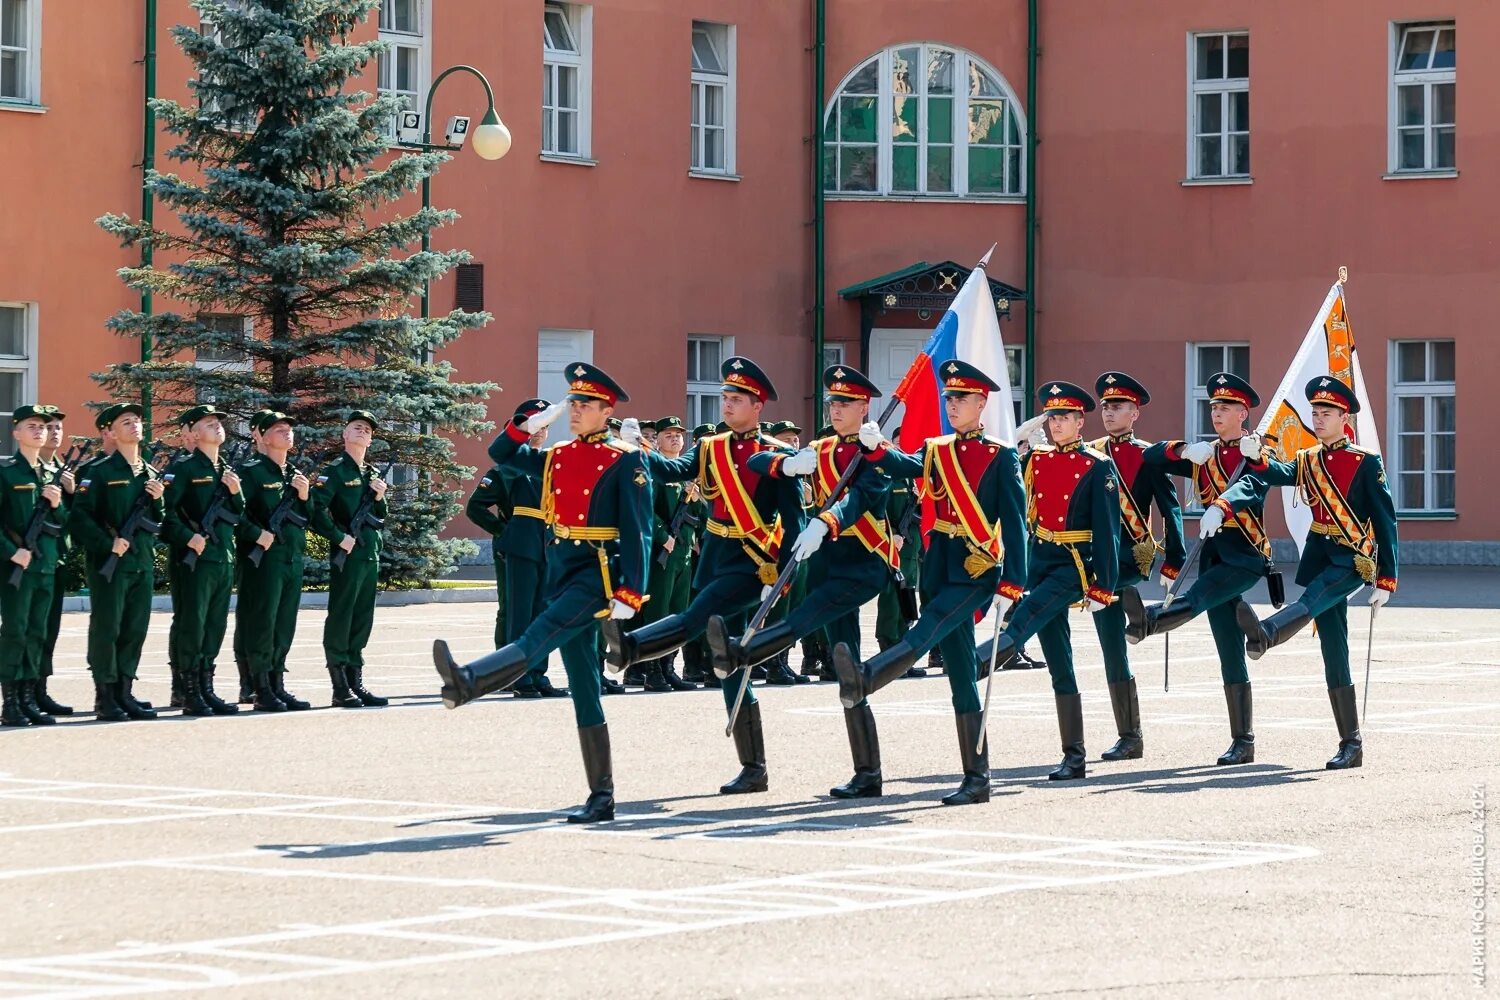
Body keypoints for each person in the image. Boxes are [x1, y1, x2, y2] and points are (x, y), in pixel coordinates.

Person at [432, 362, 651, 823]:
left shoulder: (624, 458)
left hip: (597, 573)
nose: (574, 410)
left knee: (540, 633)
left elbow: (638, 531)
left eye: (584, 404)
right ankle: (602, 795)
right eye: (571, 402)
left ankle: (470, 680)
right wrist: (529, 425)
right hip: (562, 568)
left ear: (606, 410)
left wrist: (631, 590)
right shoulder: (559, 454)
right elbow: (501, 454)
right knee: (585, 686)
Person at [601, 356, 803, 794]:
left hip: (754, 563)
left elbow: (795, 520)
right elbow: (675, 470)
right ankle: (754, 768)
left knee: (699, 616)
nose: (726, 406)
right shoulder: (711, 447)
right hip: (715, 556)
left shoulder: (778, 456)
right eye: (724, 398)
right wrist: (638, 451)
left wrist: (784, 573)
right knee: (729, 662)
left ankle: (631, 648)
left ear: (757, 405)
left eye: (735, 399)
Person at [830, 360, 1028, 804]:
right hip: (940, 565)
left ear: (981, 403)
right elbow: (907, 468)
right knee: (960, 674)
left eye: (961, 398)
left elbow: (1015, 524)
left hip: (975, 570)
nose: (952, 405)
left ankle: (868, 676)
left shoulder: (1000, 455)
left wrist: (1012, 585)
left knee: (928, 627)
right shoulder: (936, 449)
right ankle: (977, 778)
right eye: (949, 398)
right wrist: (878, 449)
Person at [708, 364, 897, 797]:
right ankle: (868, 774)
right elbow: (756, 458)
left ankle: (741, 652)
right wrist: (787, 463)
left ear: (864, 407)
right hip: (829, 562)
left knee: (805, 617)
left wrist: (826, 520)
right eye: (832, 401)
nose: (835, 409)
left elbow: (861, 499)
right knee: (846, 667)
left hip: (864, 564)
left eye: (845, 403)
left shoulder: (876, 450)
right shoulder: (821, 447)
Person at [1219, 376, 1398, 769]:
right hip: (1321, 555)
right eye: (1314, 413)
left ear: (1343, 417)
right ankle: (1351, 744)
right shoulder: (1309, 458)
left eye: (1325, 413)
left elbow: (1386, 520)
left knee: (1313, 599)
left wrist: (1387, 577)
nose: (1317, 419)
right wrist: (1257, 457)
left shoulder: (1366, 463)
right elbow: (1278, 474)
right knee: (1334, 650)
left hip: (1352, 559)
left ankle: (1267, 633)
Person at [1120, 372, 1270, 766]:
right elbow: (1149, 456)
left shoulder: (1255, 452)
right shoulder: (1207, 455)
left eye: (1225, 408)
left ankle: (1151, 620)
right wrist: (1186, 450)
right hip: (1213, 553)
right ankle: (1244, 741)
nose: (1217, 414)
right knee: (1228, 648)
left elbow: (1263, 480)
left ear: (1243, 413)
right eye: (1213, 407)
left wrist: (1231, 493)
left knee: (1200, 596)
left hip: (1246, 554)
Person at [1083, 371, 1185, 760]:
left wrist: (1174, 559)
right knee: (1111, 646)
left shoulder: (1146, 454)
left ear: (1135, 413)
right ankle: (1130, 735)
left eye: (1118, 406)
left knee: (1116, 586)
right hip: (1095, 556)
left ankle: (1139, 615)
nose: (1109, 413)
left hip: (1131, 553)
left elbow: (1169, 506)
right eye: (1106, 406)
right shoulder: (1091, 452)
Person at [69, 403, 166, 722]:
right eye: (126, 422)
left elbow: (158, 522)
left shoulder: (150, 473)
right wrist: (107, 543)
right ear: (110, 431)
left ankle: (125, 691)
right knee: (107, 628)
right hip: (109, 564)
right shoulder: (99, 472)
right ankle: (105, 694)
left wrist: (158, 498)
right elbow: (80, 517)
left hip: (141, 562)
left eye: (137, 421)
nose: (135, 425)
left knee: (135, 629)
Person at [465, 399, 566, 699]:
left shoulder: (549, 466)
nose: (539, 432)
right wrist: (504, 532)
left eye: (544, 426)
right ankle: (517, 676)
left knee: (542, 613)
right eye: (534, 426)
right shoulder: (506, 468)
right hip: (520, 543)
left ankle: (538, 674)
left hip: (547, 543)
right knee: (518, 613)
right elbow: (476, 507)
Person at [161, 404, 245, 717]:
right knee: (192, 624)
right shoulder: (183, 468)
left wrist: (236, 493)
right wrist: (187, 538)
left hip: (222, 557)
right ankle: (189, 691)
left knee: (215, 624)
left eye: (219, 423)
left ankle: (207, 686)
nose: (217, 427)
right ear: (194, 434)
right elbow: (163, 514)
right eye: (209, 423)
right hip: (193, 559)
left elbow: (238, 514)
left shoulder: (225, 469)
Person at [309, 410, 390, 708]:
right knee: (342, 615)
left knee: (362, 617)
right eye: (356, 427)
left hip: (369, 553)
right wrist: (337, 536)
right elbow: (315, 509)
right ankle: (339, 685)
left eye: (368, 430)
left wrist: (380, 498)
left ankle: (356, 681)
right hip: (348, 552)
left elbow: (381, 517)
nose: (362, 432)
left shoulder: (373, 474)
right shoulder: (336, 471)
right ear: (344, 435)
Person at [234, 411, 313, 712]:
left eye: (289, 429)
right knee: (262, 623)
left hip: (291, 558)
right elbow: (233, 513)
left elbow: (309, 517)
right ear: (263, 436)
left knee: (284, 624)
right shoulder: (251, 472)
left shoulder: (293, 474)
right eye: (279, 430)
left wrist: (305, 497)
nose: (287, 433)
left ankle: (278, 684)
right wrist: (256, 534)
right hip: (263, 560)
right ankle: (260, 688)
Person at [0, 405, 72, 727]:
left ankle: (29, 698)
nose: (40, 431)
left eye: (43, 427)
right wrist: (11, 552)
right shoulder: (6, 473)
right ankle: (11, 702)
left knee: (36, 633)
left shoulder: (49, 475)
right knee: (15, 632)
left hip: (44, 565)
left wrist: (58, 504)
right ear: (16, 432)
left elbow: (64, 523)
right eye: (32, 426)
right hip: (17, 566)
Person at [636, 416, 697, 691]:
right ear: (657, 440)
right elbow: (644, 509)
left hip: (684, 550)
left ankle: (668, 667)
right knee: (658, 611)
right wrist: (663, 536)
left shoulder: (687, 473)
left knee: (678, 612)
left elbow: (701, 514)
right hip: (664, 550)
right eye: (669, 435)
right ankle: (652, 671)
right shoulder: (654, 471)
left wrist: (697, 501)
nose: (675, 438)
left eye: (679, 435)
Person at [35, 407, 80, 716]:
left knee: (49, 629)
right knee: (28, 628)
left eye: (58, 428)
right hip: (32, 558)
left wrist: (71, 492)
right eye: (48, 427)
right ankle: (22, 693)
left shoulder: (62, 470)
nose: (54, 432)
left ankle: (40, 690)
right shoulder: (30, 469)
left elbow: (71, 519)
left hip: (57, 558)